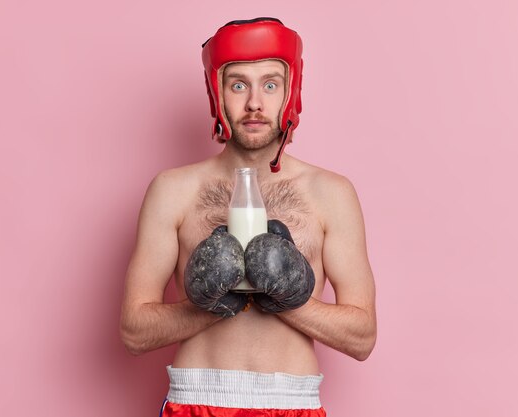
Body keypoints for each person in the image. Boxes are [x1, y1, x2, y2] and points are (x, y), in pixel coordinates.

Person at [119, 17, 377, 417]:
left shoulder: (331, 193)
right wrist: (213, 303)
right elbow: (134, 332)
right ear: (216, 94)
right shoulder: (173, 191)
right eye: (238, 85)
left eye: (270, 85)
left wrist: (286, 298)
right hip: (197, 400)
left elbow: (362, 338)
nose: (255, 103)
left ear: (291, 93)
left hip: (292, 403)